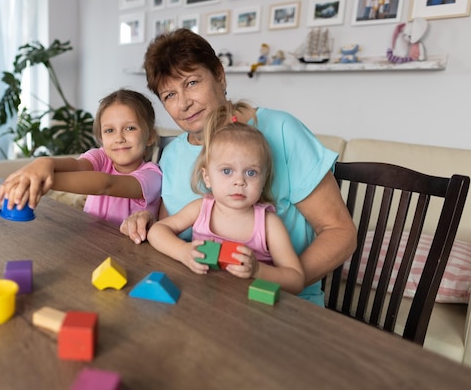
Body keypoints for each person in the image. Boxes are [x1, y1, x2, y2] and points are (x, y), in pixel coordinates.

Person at [119, 28, 356, 306]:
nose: (184, 103)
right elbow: (173, 230)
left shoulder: (281, 129)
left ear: (219, 75)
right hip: (199, 298)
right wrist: (147, 220)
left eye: (192, 82)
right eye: (169, 95)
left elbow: (340, 233)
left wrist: (277, 282)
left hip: (279, 303)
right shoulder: (171, 154)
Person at [147, 102, 305, 294]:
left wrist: (258, 270)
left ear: (264, 180)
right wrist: (182, 252)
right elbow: (157, 231)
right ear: (207, 177)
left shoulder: (269, 224)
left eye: (251, 173)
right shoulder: (201, 208)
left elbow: (296, 280)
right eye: (227, 171)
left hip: (249, 310)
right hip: (203, 300)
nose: (239, 181)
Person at [0, 89, 162, 226]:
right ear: (101, 137)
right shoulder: (102, 157)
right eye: (109, 130)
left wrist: (43, 182)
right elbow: (76, 166)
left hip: (131, 253)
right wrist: (43, 163)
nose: (119, 138)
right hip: (91, 243)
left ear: (150, 137)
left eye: (130, 128)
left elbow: (107, 184)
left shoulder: (152, 176)